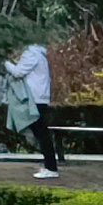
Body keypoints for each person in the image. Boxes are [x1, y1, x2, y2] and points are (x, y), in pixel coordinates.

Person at [9, 42, 65, 178]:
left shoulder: (31, 54)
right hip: (40, 98)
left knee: (41, 133)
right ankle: (50, 166)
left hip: (34, 99)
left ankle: (51, 168)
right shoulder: (40, 55)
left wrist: (6, 64)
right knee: (42, 133)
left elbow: (18, 72)